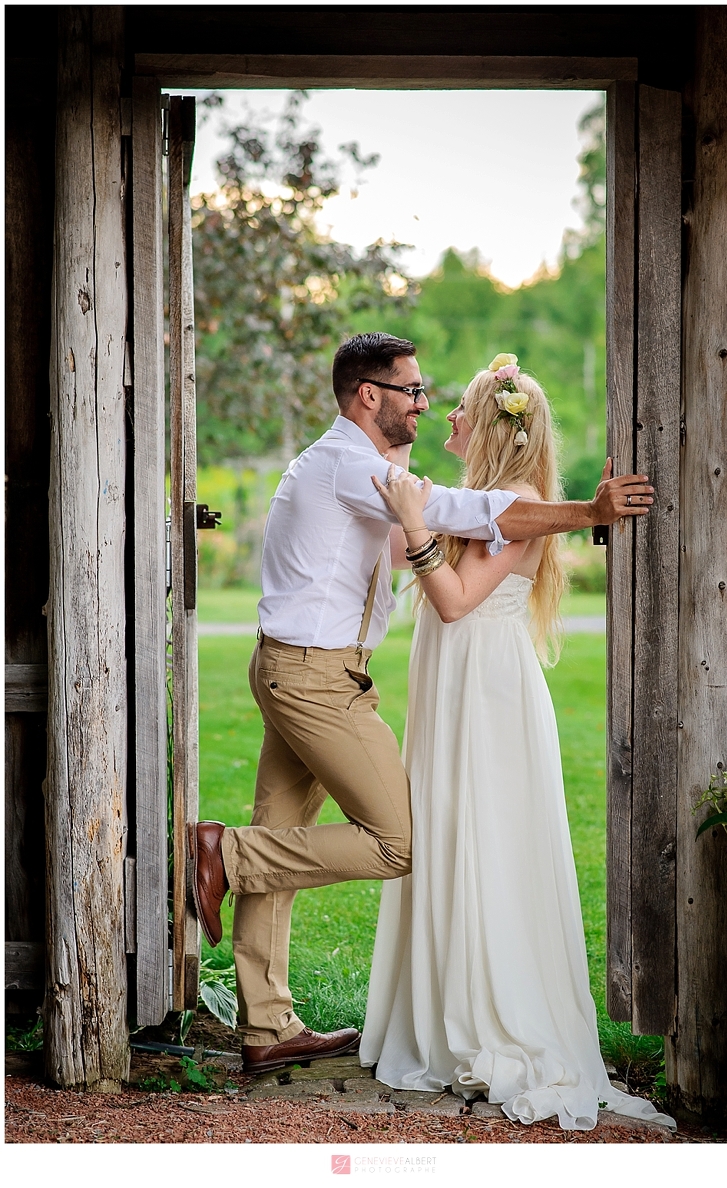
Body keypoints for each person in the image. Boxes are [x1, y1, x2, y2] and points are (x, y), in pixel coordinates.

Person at [191, 334, 654, 1077]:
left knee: (282, 833)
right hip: (312, 676)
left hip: (302, 669)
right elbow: (461, 510)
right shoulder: (353, 466)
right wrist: (587, 510)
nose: (426, 403)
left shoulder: (360, 462)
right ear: (369, 396)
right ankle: (219, 853)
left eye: (438, 396)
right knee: (394, 842)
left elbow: (467, 522)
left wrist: (569, 512)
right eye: (412, 390)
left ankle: (266, 1024)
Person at [359, 358, 675, 1132]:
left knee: (487, 838)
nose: (449, 422)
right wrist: (405, 498)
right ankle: (439, 1004)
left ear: (492, 427)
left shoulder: (526, 504)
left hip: (488, 690)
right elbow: (405, 551)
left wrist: (413, 522)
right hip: (452, 687)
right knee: (445, 831)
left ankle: (490, 1013)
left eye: (461, 411)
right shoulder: (477, 502)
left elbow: (458, 600)